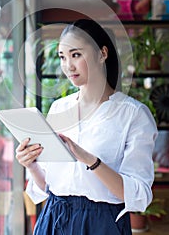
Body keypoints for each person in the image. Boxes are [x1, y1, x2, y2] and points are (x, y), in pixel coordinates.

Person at [16, 18, 158, 235]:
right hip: (54, 218)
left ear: (102, 53)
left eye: (76, 55)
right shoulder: (58, 108)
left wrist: (88, 159)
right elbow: (49, 185)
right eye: (62, 57)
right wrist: (31, 165)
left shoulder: (133, 114)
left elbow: (137, 195)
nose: (68, 66)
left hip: (102, 223)